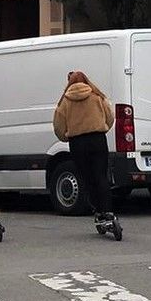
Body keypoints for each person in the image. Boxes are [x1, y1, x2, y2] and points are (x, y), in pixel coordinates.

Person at [52, 70, 115, 223]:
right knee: (101, 176)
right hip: (97, 139)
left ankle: (97, 209)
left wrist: (66, 137)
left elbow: (58, 126)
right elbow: (110, 116)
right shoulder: (97, 96)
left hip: (77, 143)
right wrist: (104, 127)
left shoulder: (65, 102)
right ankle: (108, 210)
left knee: (87, 178)